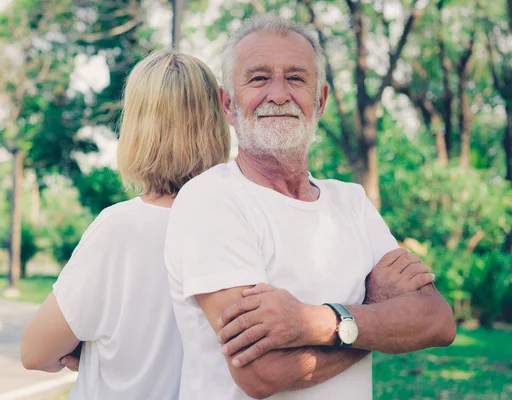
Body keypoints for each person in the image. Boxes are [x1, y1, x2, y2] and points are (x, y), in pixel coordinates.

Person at [164, 13, 456, 400]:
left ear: (320, 100)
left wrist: (316, 322)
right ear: (227, 104)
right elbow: (262, 374)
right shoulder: (212, 200)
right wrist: (377, 313)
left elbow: (437, 321)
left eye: (296, 77)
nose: (280, 94)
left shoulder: (350, 201)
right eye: (258, 78)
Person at [20, 49, 231, 399]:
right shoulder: (237, 224)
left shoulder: (119, 228)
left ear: (136, 127)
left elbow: (34, 352)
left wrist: (83, 349)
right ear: (215, 126)